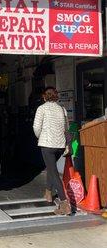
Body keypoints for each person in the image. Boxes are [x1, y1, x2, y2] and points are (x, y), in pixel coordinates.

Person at [33, 87, 71, 215]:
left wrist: (41, 137)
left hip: (47, 145)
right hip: (60, 145)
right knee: (51, 168)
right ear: (56, 96)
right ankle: (48, 193)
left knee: (54, 173)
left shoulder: (41, 108)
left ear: (44, 97)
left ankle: (64, 203)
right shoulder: (62, 109)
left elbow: (36, 127)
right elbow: (67, 127)